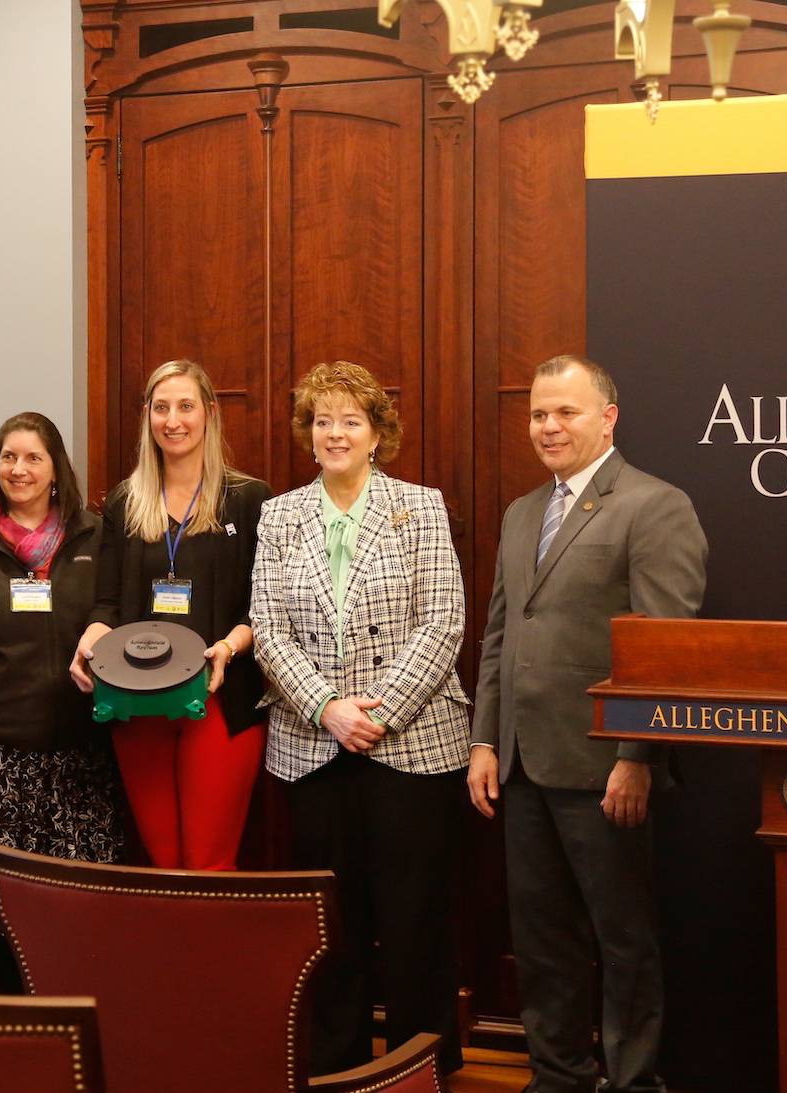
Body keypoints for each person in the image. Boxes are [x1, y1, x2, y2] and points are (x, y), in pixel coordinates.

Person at [469, 354, 708, 1093]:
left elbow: (662, 650)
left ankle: (634, 1081)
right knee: (542, 943)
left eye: (565, 412)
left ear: (607, 416)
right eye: (539, 413)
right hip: (521, 763)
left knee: (623, 941)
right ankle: (558, 1077)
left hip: (605, 767)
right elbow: (500, 635)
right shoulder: (520, 513)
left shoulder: (654, 504)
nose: (548, 426)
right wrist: (484, 738)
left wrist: (637, 754)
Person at [251, 360, 471, 1075]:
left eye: (351, 419)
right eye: (322, 420)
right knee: (331, 925)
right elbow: (268, 626)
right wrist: (326, 708)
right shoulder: (280, 514)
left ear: (377, 432)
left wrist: (376, 714)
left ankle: (418, 1066)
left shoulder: (421, 506)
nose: (335, 432)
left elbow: (442, 623)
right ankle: (339, 1067)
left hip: (410, 746)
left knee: (415, 922)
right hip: (313, 748)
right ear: (307, 434)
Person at [0, 411, 121, 990]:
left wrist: (102, 628)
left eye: (34, 457)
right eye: (9, 457)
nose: (20, 469)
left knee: (66, 913)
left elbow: (112, 605)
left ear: (57, 468)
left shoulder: (95, 535)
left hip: (74, 755)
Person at [69, 359, 270, 871]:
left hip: (220, 698)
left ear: (209, 413)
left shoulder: (249, 500)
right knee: (163, 864)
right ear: (147, 417)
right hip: (140, 703)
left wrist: (228, 647)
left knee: (208, 865)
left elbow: (265, 610)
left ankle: (212, 955)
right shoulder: (123, 503)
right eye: (161, 408)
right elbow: (107, 607)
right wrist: (88, 646)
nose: (173, 420)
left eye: (185, 406)